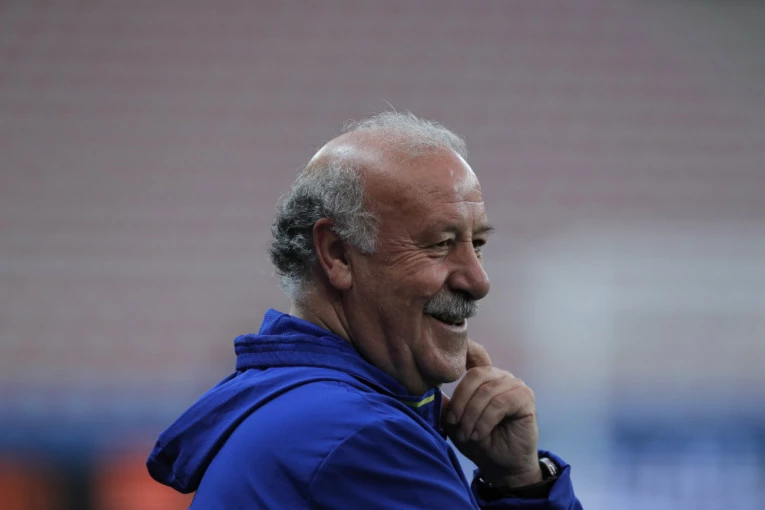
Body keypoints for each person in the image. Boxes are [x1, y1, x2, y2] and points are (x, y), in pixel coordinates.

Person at [147, 112, 583, 509]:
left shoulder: (298, 407)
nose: (478, 280)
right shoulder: (360, 437)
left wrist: (518, 482)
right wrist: (524, 488)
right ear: (337, 254)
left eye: (478, 244)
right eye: (440, 244)